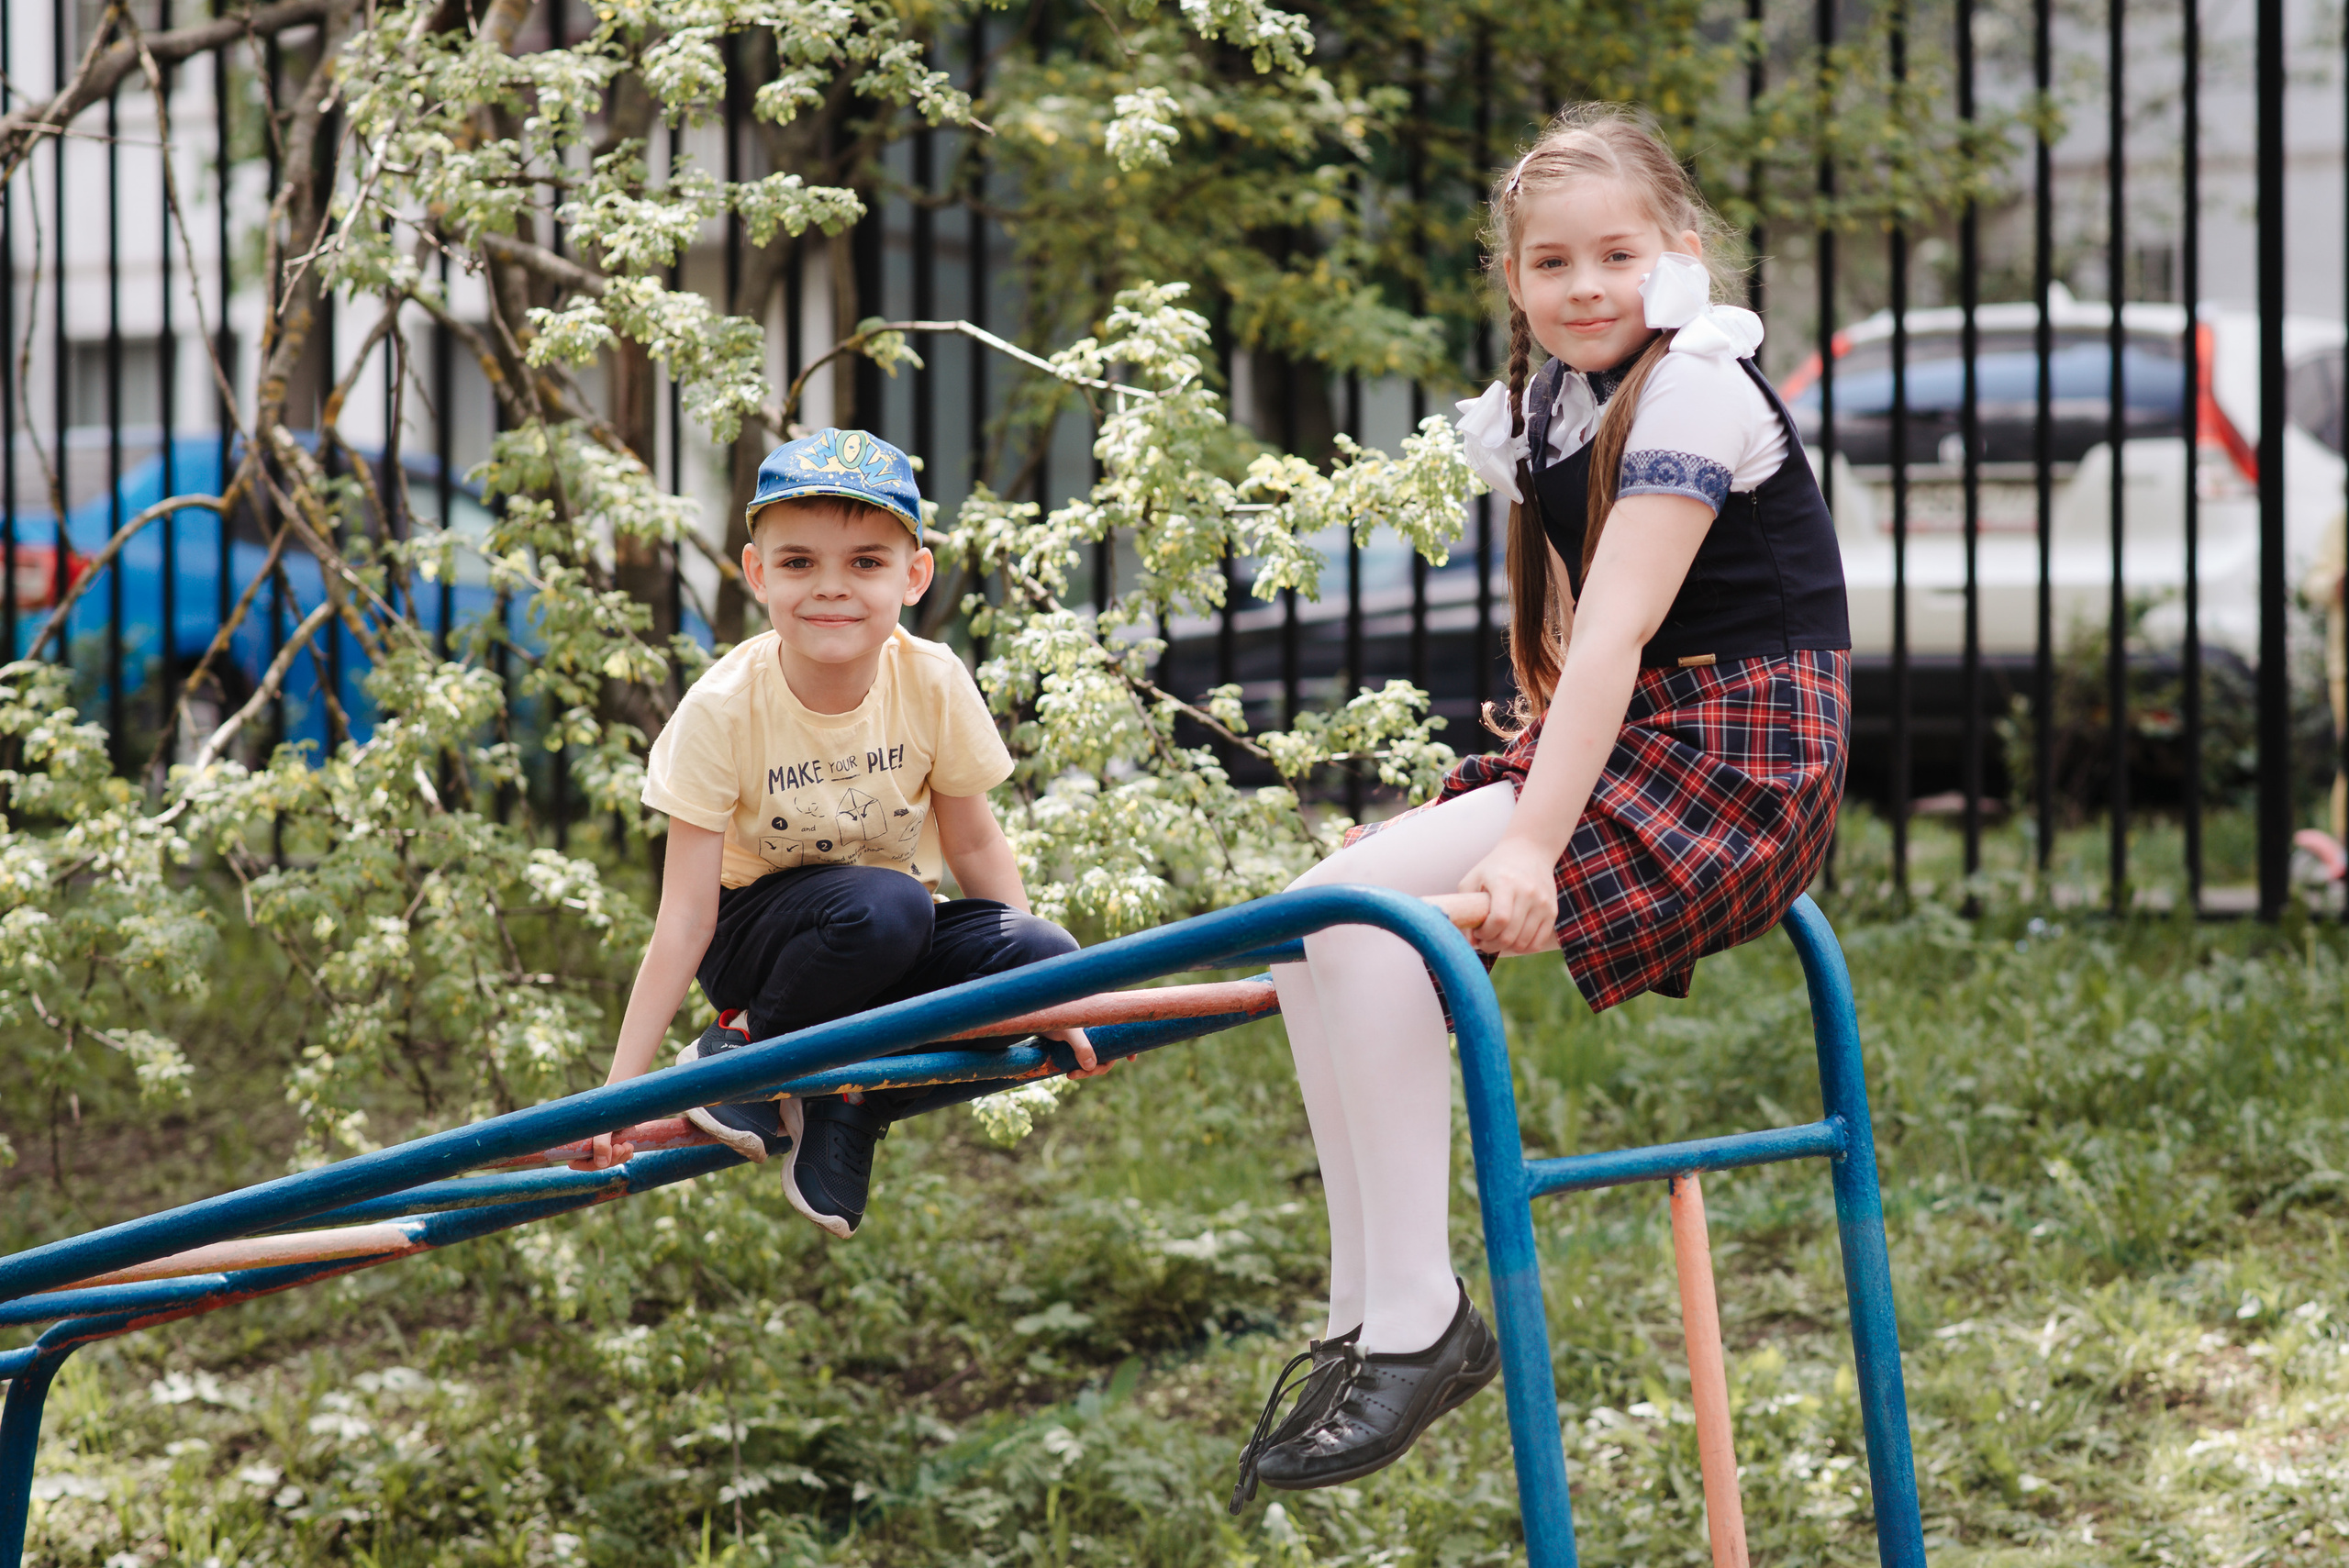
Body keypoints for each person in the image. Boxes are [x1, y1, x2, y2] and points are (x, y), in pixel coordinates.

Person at [1230, 106, 1852, 1505]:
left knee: (1368, 925)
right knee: (1306, 921)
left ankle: (1418, 1322)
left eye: (1617, 254)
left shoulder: (1696, 389)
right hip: (1652, 733)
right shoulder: (1557, 407)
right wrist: (1522, 782)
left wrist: (1529, 838)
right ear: (1513, 280)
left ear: (1682, 256)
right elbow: (1581, 634)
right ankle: (1369, 1312)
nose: (1584, 286)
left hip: (1742, 761)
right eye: (1552, 261)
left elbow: (1625, 635)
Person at [571, 428, 1103, 1238]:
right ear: (757, 574)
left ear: (913, 575)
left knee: (1048, 958)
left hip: (892, 930)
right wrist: (621, 1092)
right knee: (887, 906)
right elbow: (684, 915)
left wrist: (1041, 997)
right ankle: (746, 1050)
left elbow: (974, 846)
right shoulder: (723, 709)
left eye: (865, 561)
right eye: (798, 562)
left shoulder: (931, 679)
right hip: (767, 942)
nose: (831, 589)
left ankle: (849, 1101)